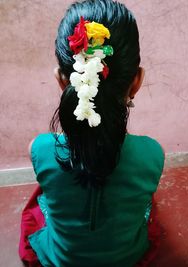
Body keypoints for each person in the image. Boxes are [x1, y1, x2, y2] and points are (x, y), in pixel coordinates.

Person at [19, 0, 165, 266]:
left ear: (62, 80)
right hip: (127, 257)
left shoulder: (39, 148)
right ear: (137, 82)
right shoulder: (152, 154)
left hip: (62, 259)